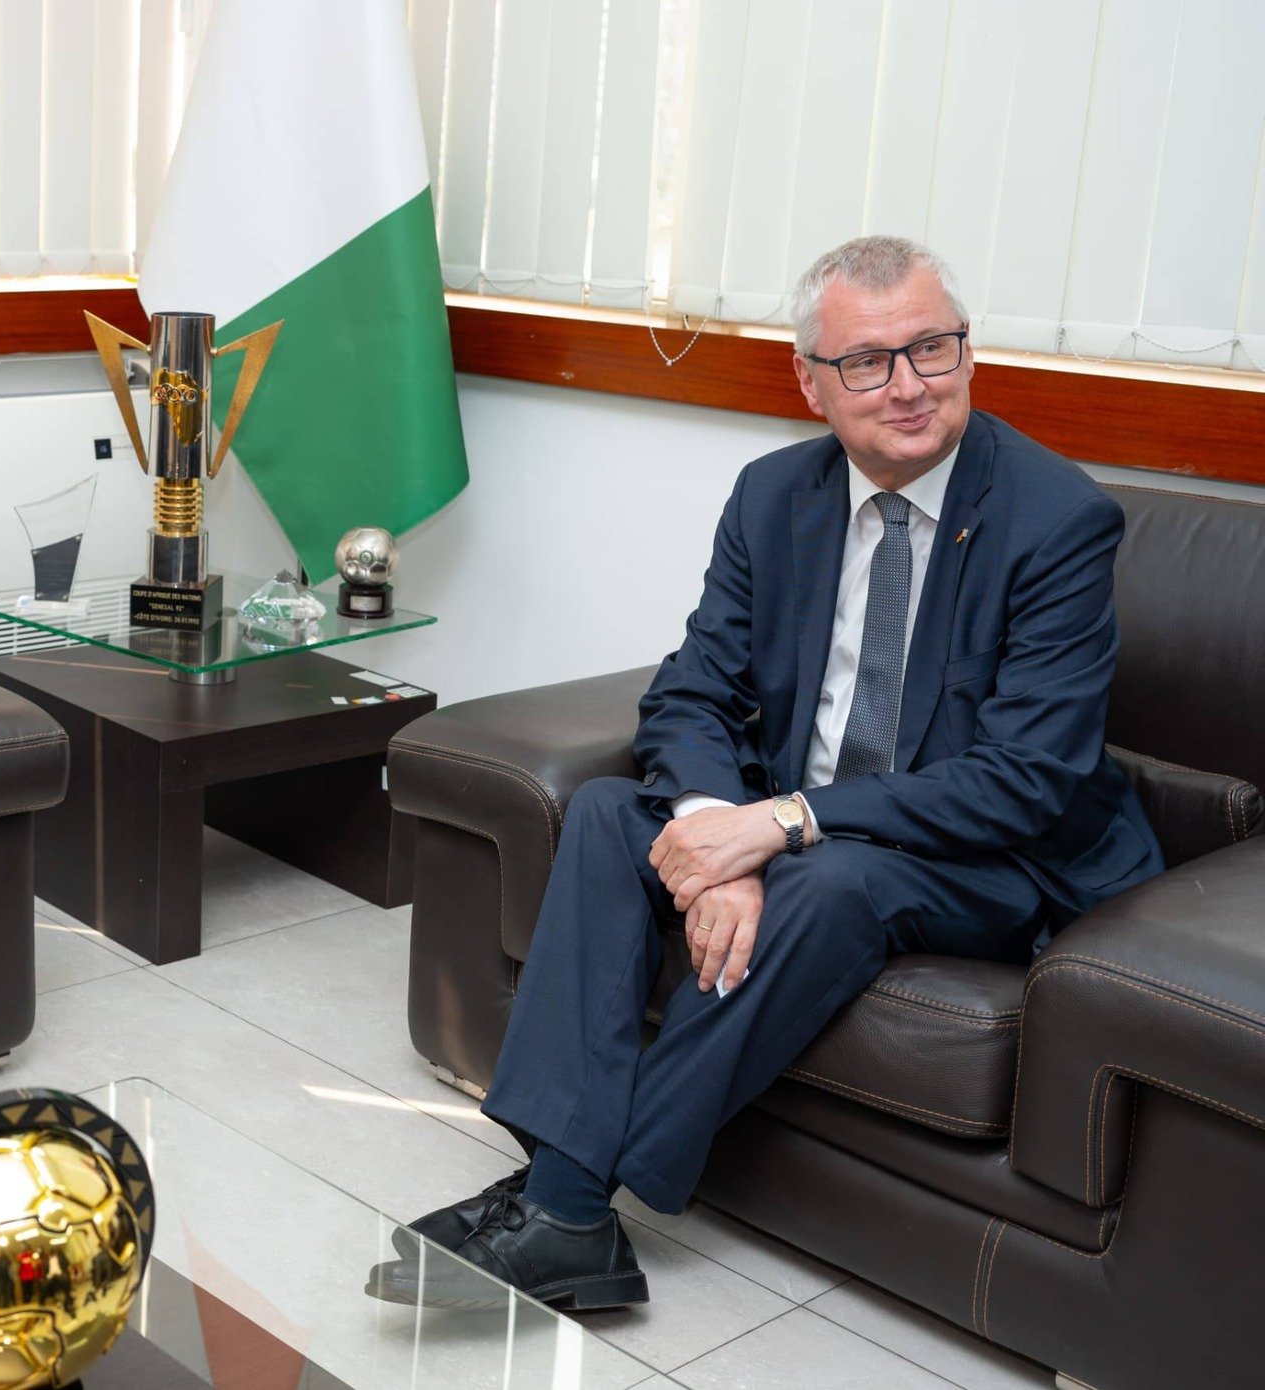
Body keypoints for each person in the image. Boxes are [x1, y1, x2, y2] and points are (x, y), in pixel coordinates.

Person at [366, 235, 1163, 1312]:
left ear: (966, 352)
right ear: (809, 381)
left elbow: (1021, 780)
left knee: (835, 880)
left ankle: (563, 1194)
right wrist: (713, 830)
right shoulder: (771, 498)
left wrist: (780, 824)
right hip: (809, 821)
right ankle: (568, 1217)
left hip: (992, 857)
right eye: (869, 361)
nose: (910, 385)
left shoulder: (1053, 519)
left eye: (933, 347)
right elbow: (689, 688)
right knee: (605, 813)